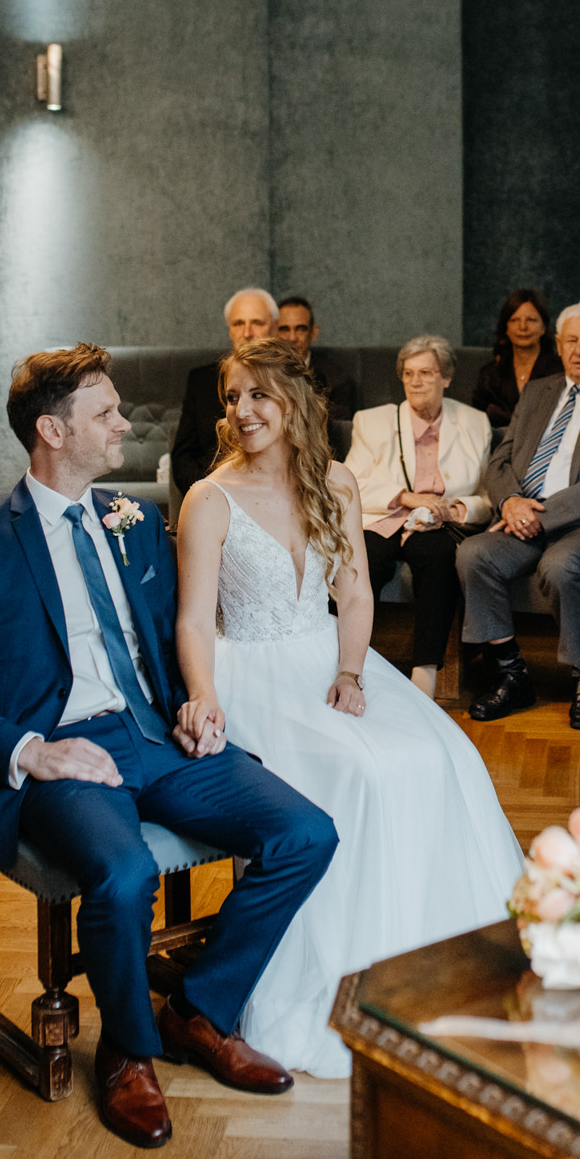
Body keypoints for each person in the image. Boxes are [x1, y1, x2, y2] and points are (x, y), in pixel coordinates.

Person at [0, 344, 338, 1150]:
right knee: (125, 872)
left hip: (152, 737)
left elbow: (162, 639)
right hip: (60, 753)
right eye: (105, 413)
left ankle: (197, 1013)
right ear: (51, 431)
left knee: (305, 833)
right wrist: (31, 751)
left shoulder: (131, 519)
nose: (122, 424)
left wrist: (192, 707)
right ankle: (126, 1054)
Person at [174, 339, 524, 1079]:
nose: (241, 411)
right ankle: (348, 984)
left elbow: (355, 592)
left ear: (296, 402)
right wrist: (204, 696)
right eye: (233, 398)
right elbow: (194, 621)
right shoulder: (211, 498)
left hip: (331, 658)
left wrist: (351, 671)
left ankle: (434, 971)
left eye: (258, 396)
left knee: (442, 754)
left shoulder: (334, 482)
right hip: (253, 671)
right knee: (361, 774)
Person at [458, 302, 580, 731]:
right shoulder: (538, 392)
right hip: (522, 516)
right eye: (571, 341)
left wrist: (540, 516)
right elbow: (501, 459)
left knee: (561, 563)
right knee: (474, 554)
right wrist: (510, 501)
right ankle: (513, 674)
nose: (579, 350)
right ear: (559, 346)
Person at [345, 335, 492, 697]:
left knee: (438, 558)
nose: (415, 381)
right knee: (365, 559)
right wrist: (406, 496)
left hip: (439, 524)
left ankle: (424, 675)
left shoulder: (475, 423)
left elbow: (489, 496)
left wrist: (458, 509)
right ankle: (345, 664)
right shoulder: (372, 422)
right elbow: (349, 485)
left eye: (426, 372)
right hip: (385, 514)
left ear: (446, 378)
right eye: (408, 373)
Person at [171, 287, 279, 497]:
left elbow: (316, 448)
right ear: (230, 330)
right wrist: (212, 493)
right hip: (213, 493)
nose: (247, 333)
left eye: (256, 323)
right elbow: (183, 458)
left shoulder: (298, 379)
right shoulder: (201, 381)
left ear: (275, 328)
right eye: (239, 323)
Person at [471, 289, 563, 431]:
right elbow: (475, 423)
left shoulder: (560, 372)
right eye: (515, 320)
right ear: (506, 328)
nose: (523, 327)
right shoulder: (489, 374)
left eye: (531, 320)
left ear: (543, 327)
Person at [276, 293, 355, 422]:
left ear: (313, 333)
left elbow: (335, 433)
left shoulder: (335, 381)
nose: (292, 338)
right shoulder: (261, 375)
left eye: (300, 329)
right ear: (274, 332)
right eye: (284, 329)